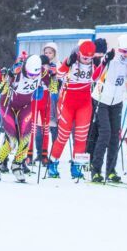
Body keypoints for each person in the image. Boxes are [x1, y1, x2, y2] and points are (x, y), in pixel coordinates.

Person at [90, 34, 127, 183]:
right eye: (124, 51)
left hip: (117, 102)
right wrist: (104, 61)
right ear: (118, 48)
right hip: (101, 99)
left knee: (114, 136)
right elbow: (95, 77)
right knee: (105, 133)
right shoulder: (111, 58)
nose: (126, 54)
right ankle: (95, 169)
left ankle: (110, 170)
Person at [47, 40, 97, 179]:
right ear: (79, 53)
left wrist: (104, 63)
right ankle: (52, 163)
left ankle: (76, 166)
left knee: (81, 137)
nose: (87, 61)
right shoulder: (72, 60)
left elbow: (96, 77)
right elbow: (58, 74)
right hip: (67, 103)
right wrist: (67, 63)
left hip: (84, 104)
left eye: (89, 58)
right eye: (84, 57)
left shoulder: (93, 63)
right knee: (63, 136)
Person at [0, 54, 45, 181]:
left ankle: (17, 164)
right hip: (8, 105)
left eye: (34, 75)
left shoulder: (42, 72)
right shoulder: (17, 71)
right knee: (12, 141)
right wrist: (8, 78)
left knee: (26, 138)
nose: (32, 77)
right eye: (29, 74)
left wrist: (49, 82)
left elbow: (53, 87)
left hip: (25, 106)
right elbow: (0, 90)